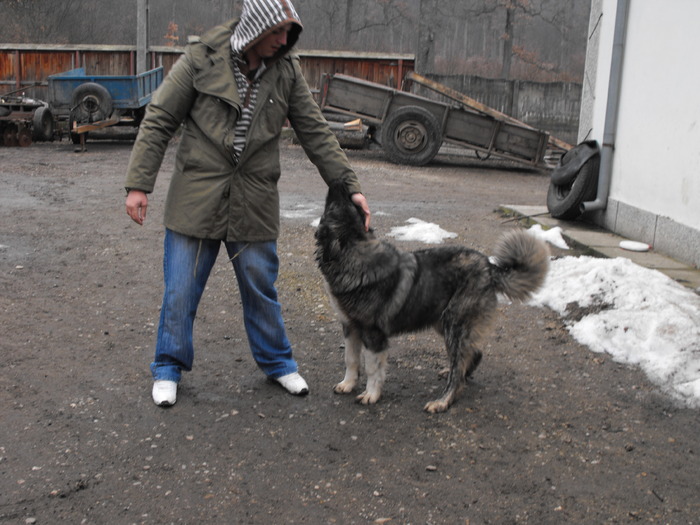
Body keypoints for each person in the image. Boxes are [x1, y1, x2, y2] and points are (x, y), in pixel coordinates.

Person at [124, 0, 370, 407]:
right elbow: (159, 118)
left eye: (289, 33)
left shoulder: (286, 70)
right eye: (277, 32)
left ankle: (278, 363)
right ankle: (167, 368)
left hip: (254, 197)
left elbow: (315, 132)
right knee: (180, 289)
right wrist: (138, 184)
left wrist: (349, 187)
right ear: (256, 27)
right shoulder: (201, 59)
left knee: (261, 287)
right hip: (196, 196)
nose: (284, 40)